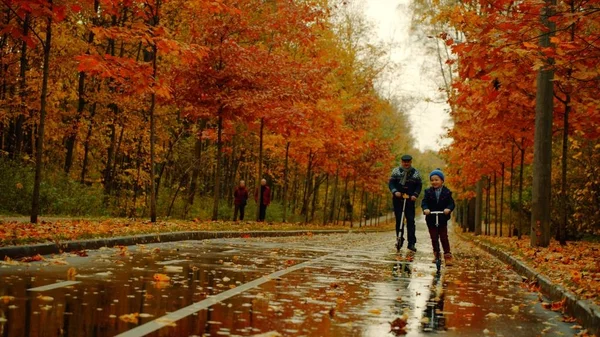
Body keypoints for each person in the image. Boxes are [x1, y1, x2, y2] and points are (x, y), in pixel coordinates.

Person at [388, 154, 422, 252]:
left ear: (411, 162)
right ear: (401, 162)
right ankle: (399, 239)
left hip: (410, 199)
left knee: (411, 220)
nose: (406, 164)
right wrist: (395, 191)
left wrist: (415, 195)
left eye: (408, 162)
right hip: (398, 198)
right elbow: (391, 183)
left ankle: (411, 243)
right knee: (399, 219)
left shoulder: (416, 173)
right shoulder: (396, 171)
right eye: (404, 162)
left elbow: (419, 185)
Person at [421, 169, 455, 266]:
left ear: (442, 181)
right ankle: (436, 254)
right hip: (431, 218)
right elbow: (424, 202)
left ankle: (447, 256)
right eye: (432, 180)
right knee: (434, 237)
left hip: (442, 218)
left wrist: (448, 209)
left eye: (436, 180)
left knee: (444, 237)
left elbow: (451, 203)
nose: (434, 182)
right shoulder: (428, 192)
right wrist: (426, 209)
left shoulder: (447, 192)